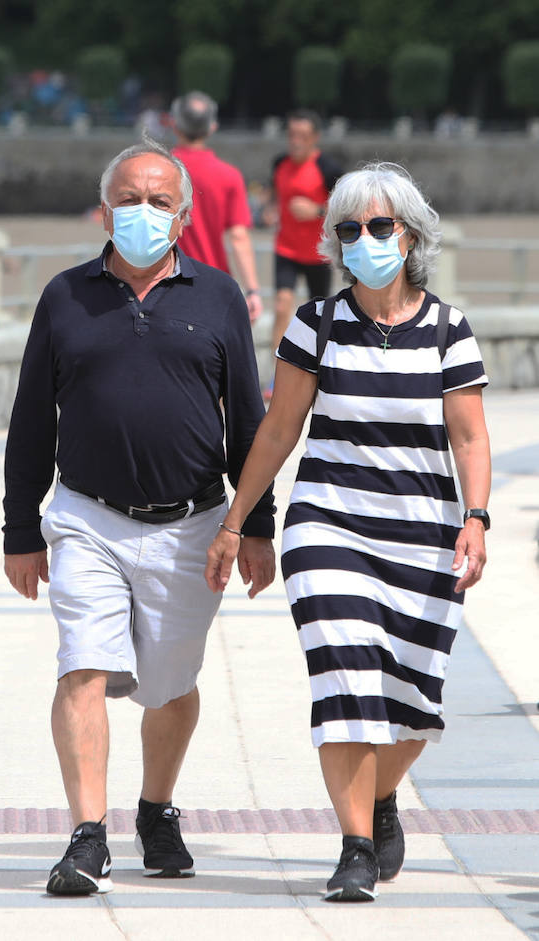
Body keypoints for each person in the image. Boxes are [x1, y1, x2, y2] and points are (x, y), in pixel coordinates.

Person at [206, 162, 491, 903]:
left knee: (411, 704)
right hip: (328, 527)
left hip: (423, 534)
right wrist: (238, 522)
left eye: (378, 226)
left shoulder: (448, 330)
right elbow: (278, 430)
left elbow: (469, 437)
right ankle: (356, 845)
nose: (362, 240)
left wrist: (477, 517)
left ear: (412, 233)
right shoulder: (316, 322)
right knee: (346, 680)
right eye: (349, 229)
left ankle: (382, 798)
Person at [2, 138, 276, 896]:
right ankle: (88, 836)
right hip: (87, 517)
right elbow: (31, 421)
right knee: (82, 666)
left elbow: (249, 421)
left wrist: (256, 526)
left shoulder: (218, 297)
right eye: (129, 198)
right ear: (104, 209)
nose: (143, 212)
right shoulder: (65, 296)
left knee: (169, 684)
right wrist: (19, 530)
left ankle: (156, 807)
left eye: (159, 201)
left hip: (193, 526)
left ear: (184, 217)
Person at [169, 91, 263, 320]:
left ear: (174, 125)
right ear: (212, 127)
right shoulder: (229, 175)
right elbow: (239, 237)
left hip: (164, 284)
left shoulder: (160, 170)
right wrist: (252, 291)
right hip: (213, 284)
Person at [270, 110, 342, 352]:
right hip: (286, 248)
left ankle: (317, 365)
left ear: (315, 138)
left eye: (302, 135)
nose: (295, 141)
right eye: (291, 135)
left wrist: (317, 211)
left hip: (318, 252)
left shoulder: (328, 168)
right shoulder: (279, 163)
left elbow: (347, 207)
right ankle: (276, 372)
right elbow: (275, 194)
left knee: (319, 313)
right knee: (282, 305)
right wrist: (270, 209)